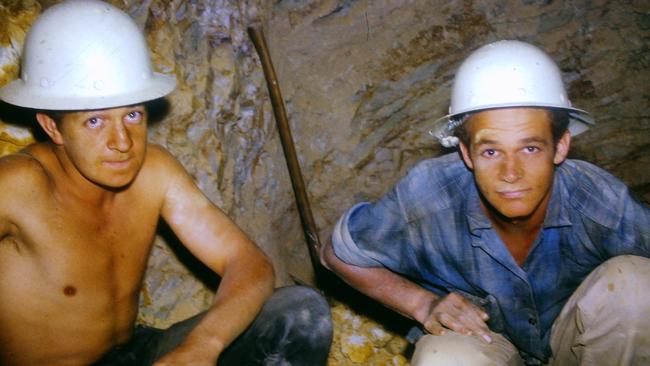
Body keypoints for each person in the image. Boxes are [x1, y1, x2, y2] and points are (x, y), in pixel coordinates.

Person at [0, 1, 332, 365]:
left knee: (300, 313)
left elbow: (247, 262)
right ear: (52, 126)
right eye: (95, 122)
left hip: (134, 354)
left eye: (132, 114)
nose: (122, 142)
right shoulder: (18, 186)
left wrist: (205, 344)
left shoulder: (154, 172)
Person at [321, 39, 650, 365]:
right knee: (442, 359)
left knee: (638, 286)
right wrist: (422, 305)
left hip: (580, 345)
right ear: (465, 153)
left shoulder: (598, 199)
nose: (511, 173)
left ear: (561, 146)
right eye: (491, 151)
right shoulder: (428, 194)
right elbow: (337, 254)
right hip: (486, 343)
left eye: (530, 148)